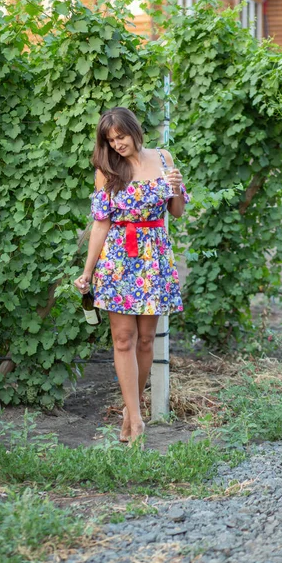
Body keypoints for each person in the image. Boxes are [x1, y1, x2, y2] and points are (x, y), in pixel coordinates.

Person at [74, 107, 189, 445]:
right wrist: (87, 272)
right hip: (118, 259)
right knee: (122, 339)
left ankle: (130, 409)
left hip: (153, 257)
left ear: (134, 130)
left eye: (120, 136)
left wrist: (178, 188)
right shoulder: (107, 169)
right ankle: (136, 419)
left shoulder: (164, 159)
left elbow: (177, 212)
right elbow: (100, 223)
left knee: (145, 340)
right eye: (110, 140)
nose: (117, 144)